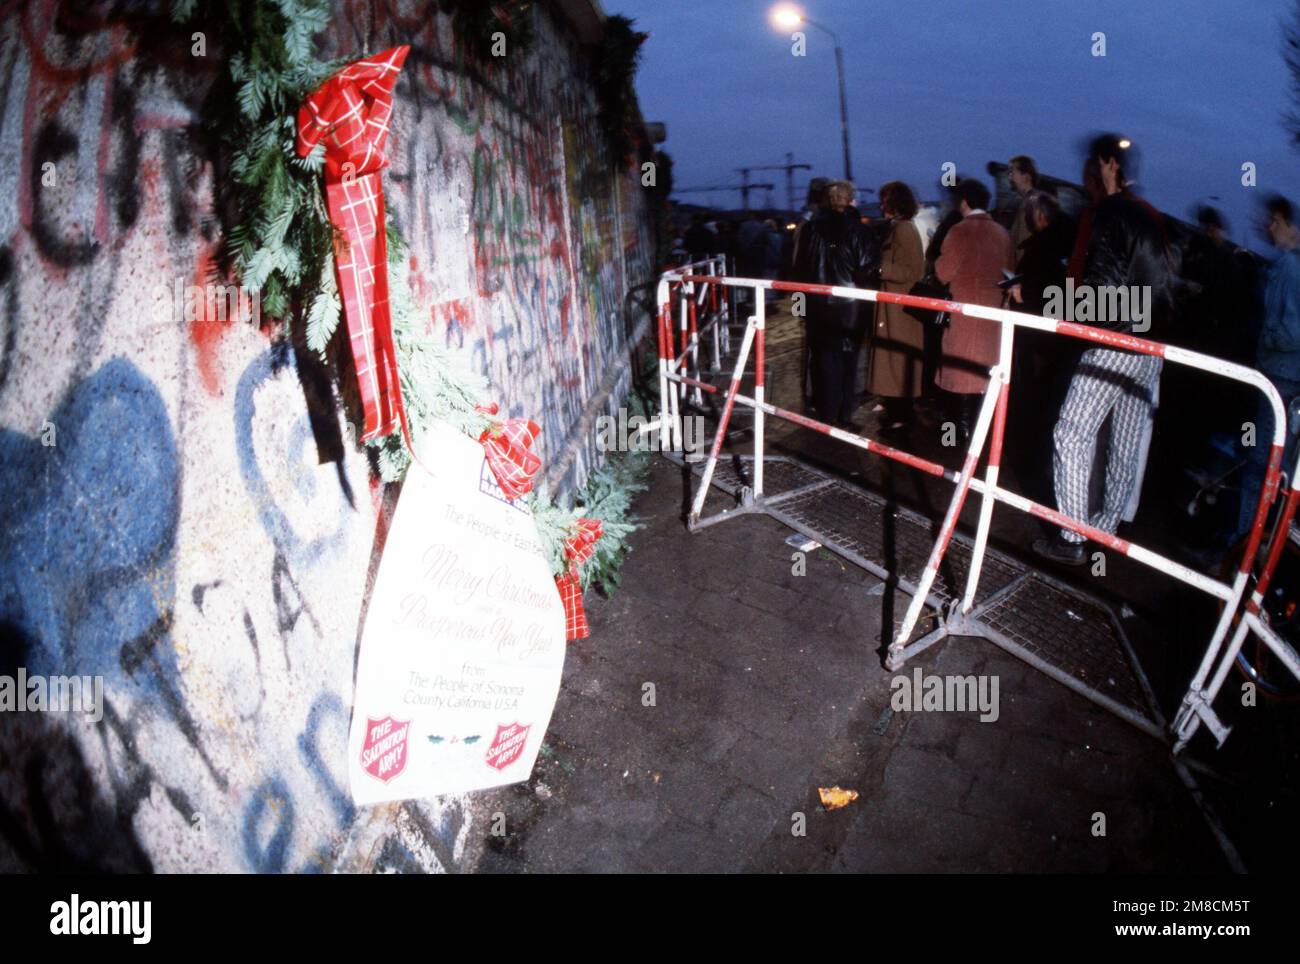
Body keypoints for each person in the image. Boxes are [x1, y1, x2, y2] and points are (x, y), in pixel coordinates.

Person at [1033, 134, 1173, 566]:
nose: (1088, 171)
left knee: (1072, 433)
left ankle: (1072, 538)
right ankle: (1107, 527)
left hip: (1116, 338)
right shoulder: (1150, 216)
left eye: (1094, 164)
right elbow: (1165, 290)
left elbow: (1103, 288)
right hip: (1151, 343)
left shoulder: (1109, 213)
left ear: (1109, 165)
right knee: (1126, 441)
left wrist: (1060, 308)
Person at [1232, 195, 1300, 550]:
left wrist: (1263, 338)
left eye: (1273, 222)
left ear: (1290, 225)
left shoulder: (1289, 267)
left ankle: (1244, 550)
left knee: (1261, 467)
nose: (1267, 229)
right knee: (1276, 467)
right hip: (1288, 378)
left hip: (1281, 377)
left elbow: (1291, 332)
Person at [934, 178, 1016, 445]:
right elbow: (1010, 275)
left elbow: (943, 273)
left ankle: (959, 438)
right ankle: (981, 437)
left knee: (960, 376)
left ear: (964, 202)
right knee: (984, 376)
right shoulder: (1002, 233)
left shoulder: (958, 231)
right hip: (992, 317)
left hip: (963, 315)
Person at [794, 180, 872, 427]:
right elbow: (867, 270)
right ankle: (845, 415)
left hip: (818, 303)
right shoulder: (860, 230)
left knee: (824, 359)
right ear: (850, 200)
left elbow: (799, 269)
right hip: (851, 304)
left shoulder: (810, 229)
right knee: (849, 360)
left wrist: (800, 308)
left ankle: (826, 413)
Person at [868, 181, 927, 436]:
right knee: (894, 361)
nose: (881, 205)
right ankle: (898, 412)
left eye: (885, 200)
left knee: (898, 362)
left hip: (899, 308)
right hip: (894, 306)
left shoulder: (904, 230)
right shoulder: (899, 228)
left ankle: (902, 417)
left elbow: (913, 271)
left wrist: (881, 269)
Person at [995, 155, 1040, 253]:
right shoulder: (1016, 201)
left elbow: (1022, 240)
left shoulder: (1032, 203)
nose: (1009, 176)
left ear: (1026, 176)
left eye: (1012, 172)